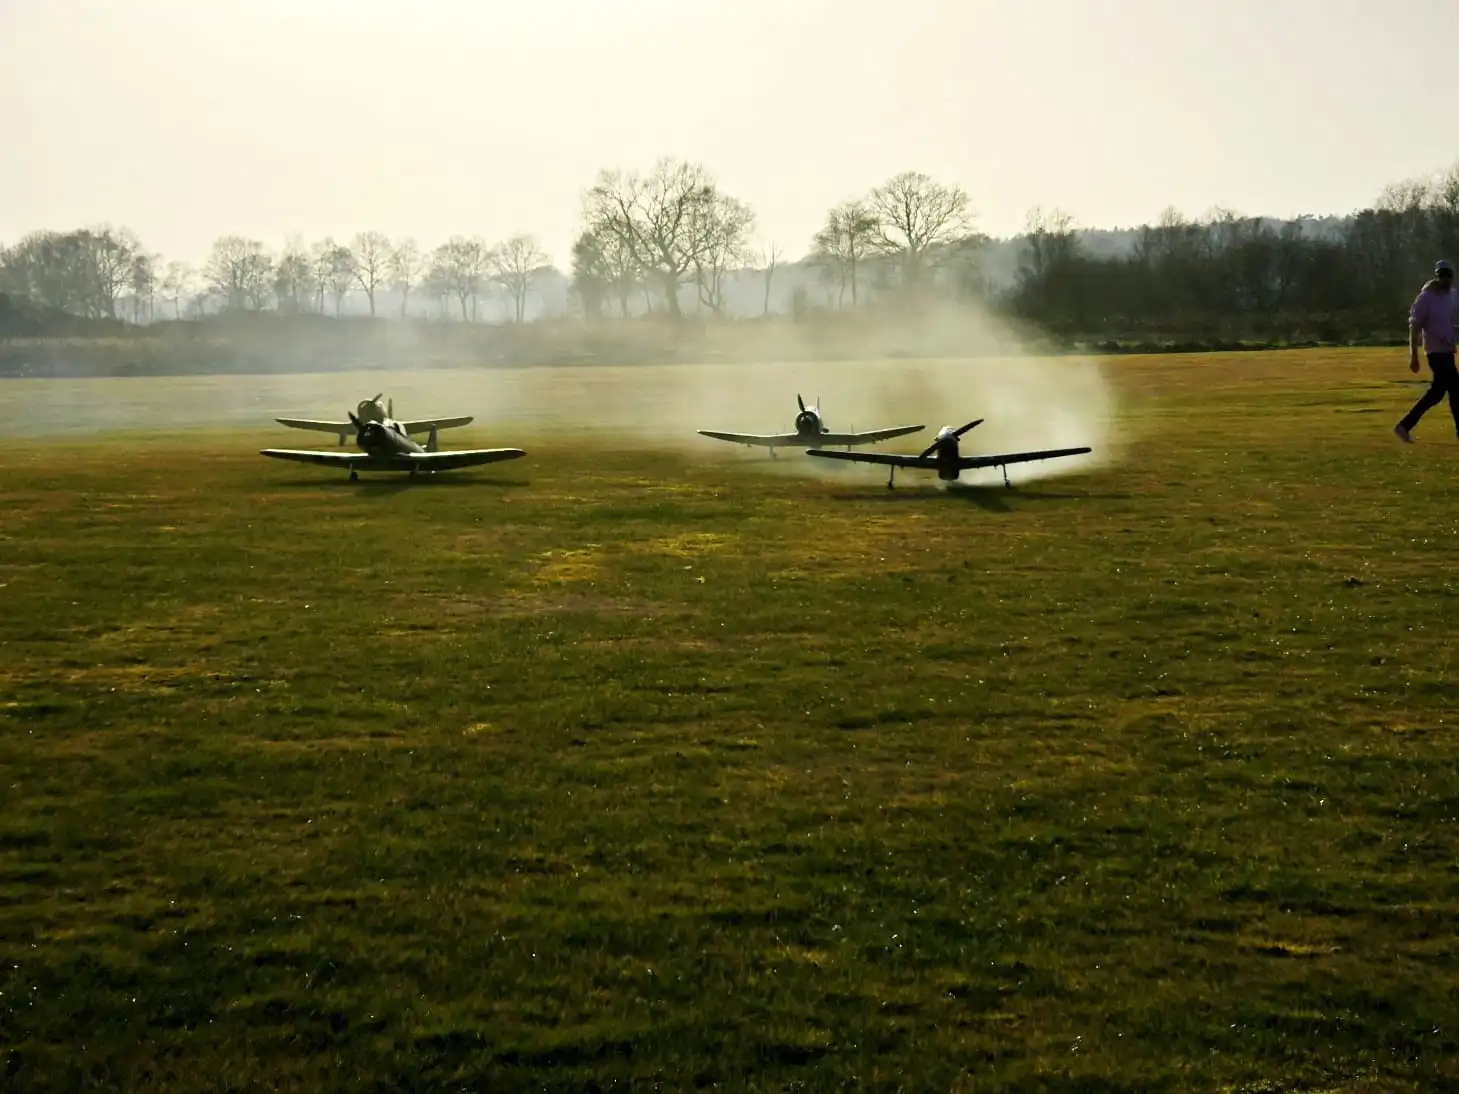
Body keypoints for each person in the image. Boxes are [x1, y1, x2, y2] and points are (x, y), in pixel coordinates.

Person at [1394, 259, 1459, 443]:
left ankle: (1404, 426)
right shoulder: (1426, 298)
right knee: (1455, 389)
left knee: (1437, 393)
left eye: (1448, 276)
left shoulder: (1453, 296)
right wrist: (1413, 356)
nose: (1445, 279)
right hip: (1434, 351)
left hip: (1447, 350)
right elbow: (1414, 326)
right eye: (1442, 275)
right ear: (1437, 276)